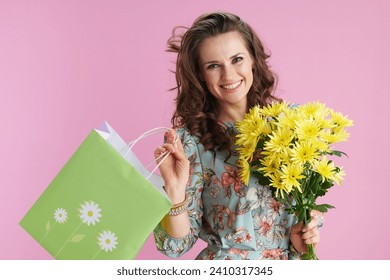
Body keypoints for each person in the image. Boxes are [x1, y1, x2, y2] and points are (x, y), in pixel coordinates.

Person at [153, 11, 322, 260]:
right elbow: (175, 246)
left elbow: (303, 213)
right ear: (200, 74)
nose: (229, 75)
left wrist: (300, 240)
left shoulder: (292, 126)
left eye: (237, 59)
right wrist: (176, 196)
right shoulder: (190, 143)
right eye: (213, 66)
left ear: (253, 59)